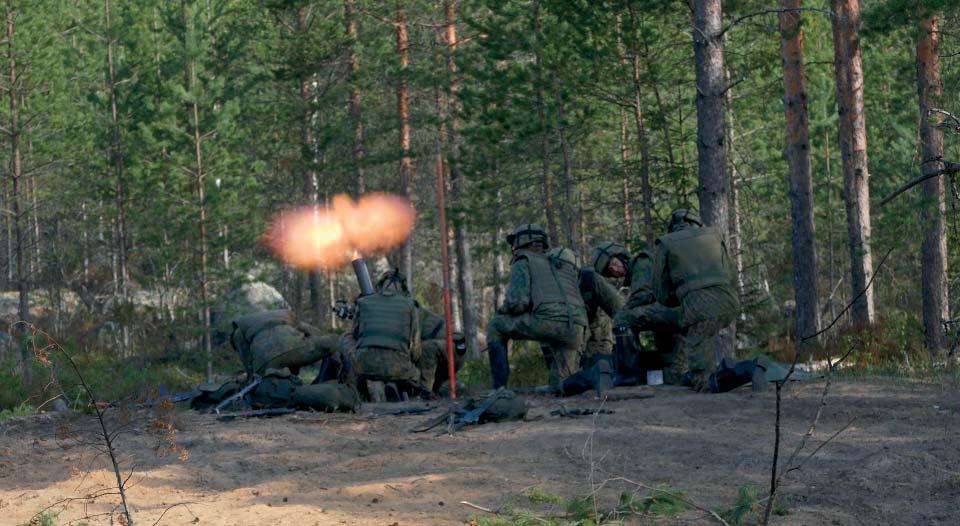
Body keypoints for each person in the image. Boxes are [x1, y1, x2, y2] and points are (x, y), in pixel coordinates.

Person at [619, 209, 764, 392]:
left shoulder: (666, 243)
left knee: (702, 381)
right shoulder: (714, 236)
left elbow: (660, 290)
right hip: (729, 302)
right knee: (705, 345)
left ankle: (749, 369)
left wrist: (677, 302)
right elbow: (732, 278)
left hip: (699, 308)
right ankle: (738, 368)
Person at [486, 223, 588, 393]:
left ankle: (499, 391)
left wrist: (503, 310)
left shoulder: (524, 260)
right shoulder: (560, 264)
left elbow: (518, 303)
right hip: (577, 328)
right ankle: (592, 380)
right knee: (560, 387)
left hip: (548, 322)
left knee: (496, 326)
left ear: (520, 243)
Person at [556, 242, 629, 395]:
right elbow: (622, 313)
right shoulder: (592, 281)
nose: (615, 268)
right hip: (591, 350)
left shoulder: (598, 283)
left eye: (617, 264)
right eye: (612, 264)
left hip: (592, 350)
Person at [349, 269, 423, 401]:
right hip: (399, 367)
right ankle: (401, 391)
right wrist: (411, 360)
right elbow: (415, 347)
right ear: (403, 287)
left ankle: (358, 392)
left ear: (381, 285)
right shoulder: (410, 305)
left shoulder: (364, 302)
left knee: (346, 340)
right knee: (415, 374)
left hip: (365, 365)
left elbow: (355, 334)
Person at [417, 304, 468, 394]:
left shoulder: (416, 314)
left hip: (451, 350)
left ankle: (425, 391)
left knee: (427, 347)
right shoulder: (417, 313)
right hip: (445, 355)